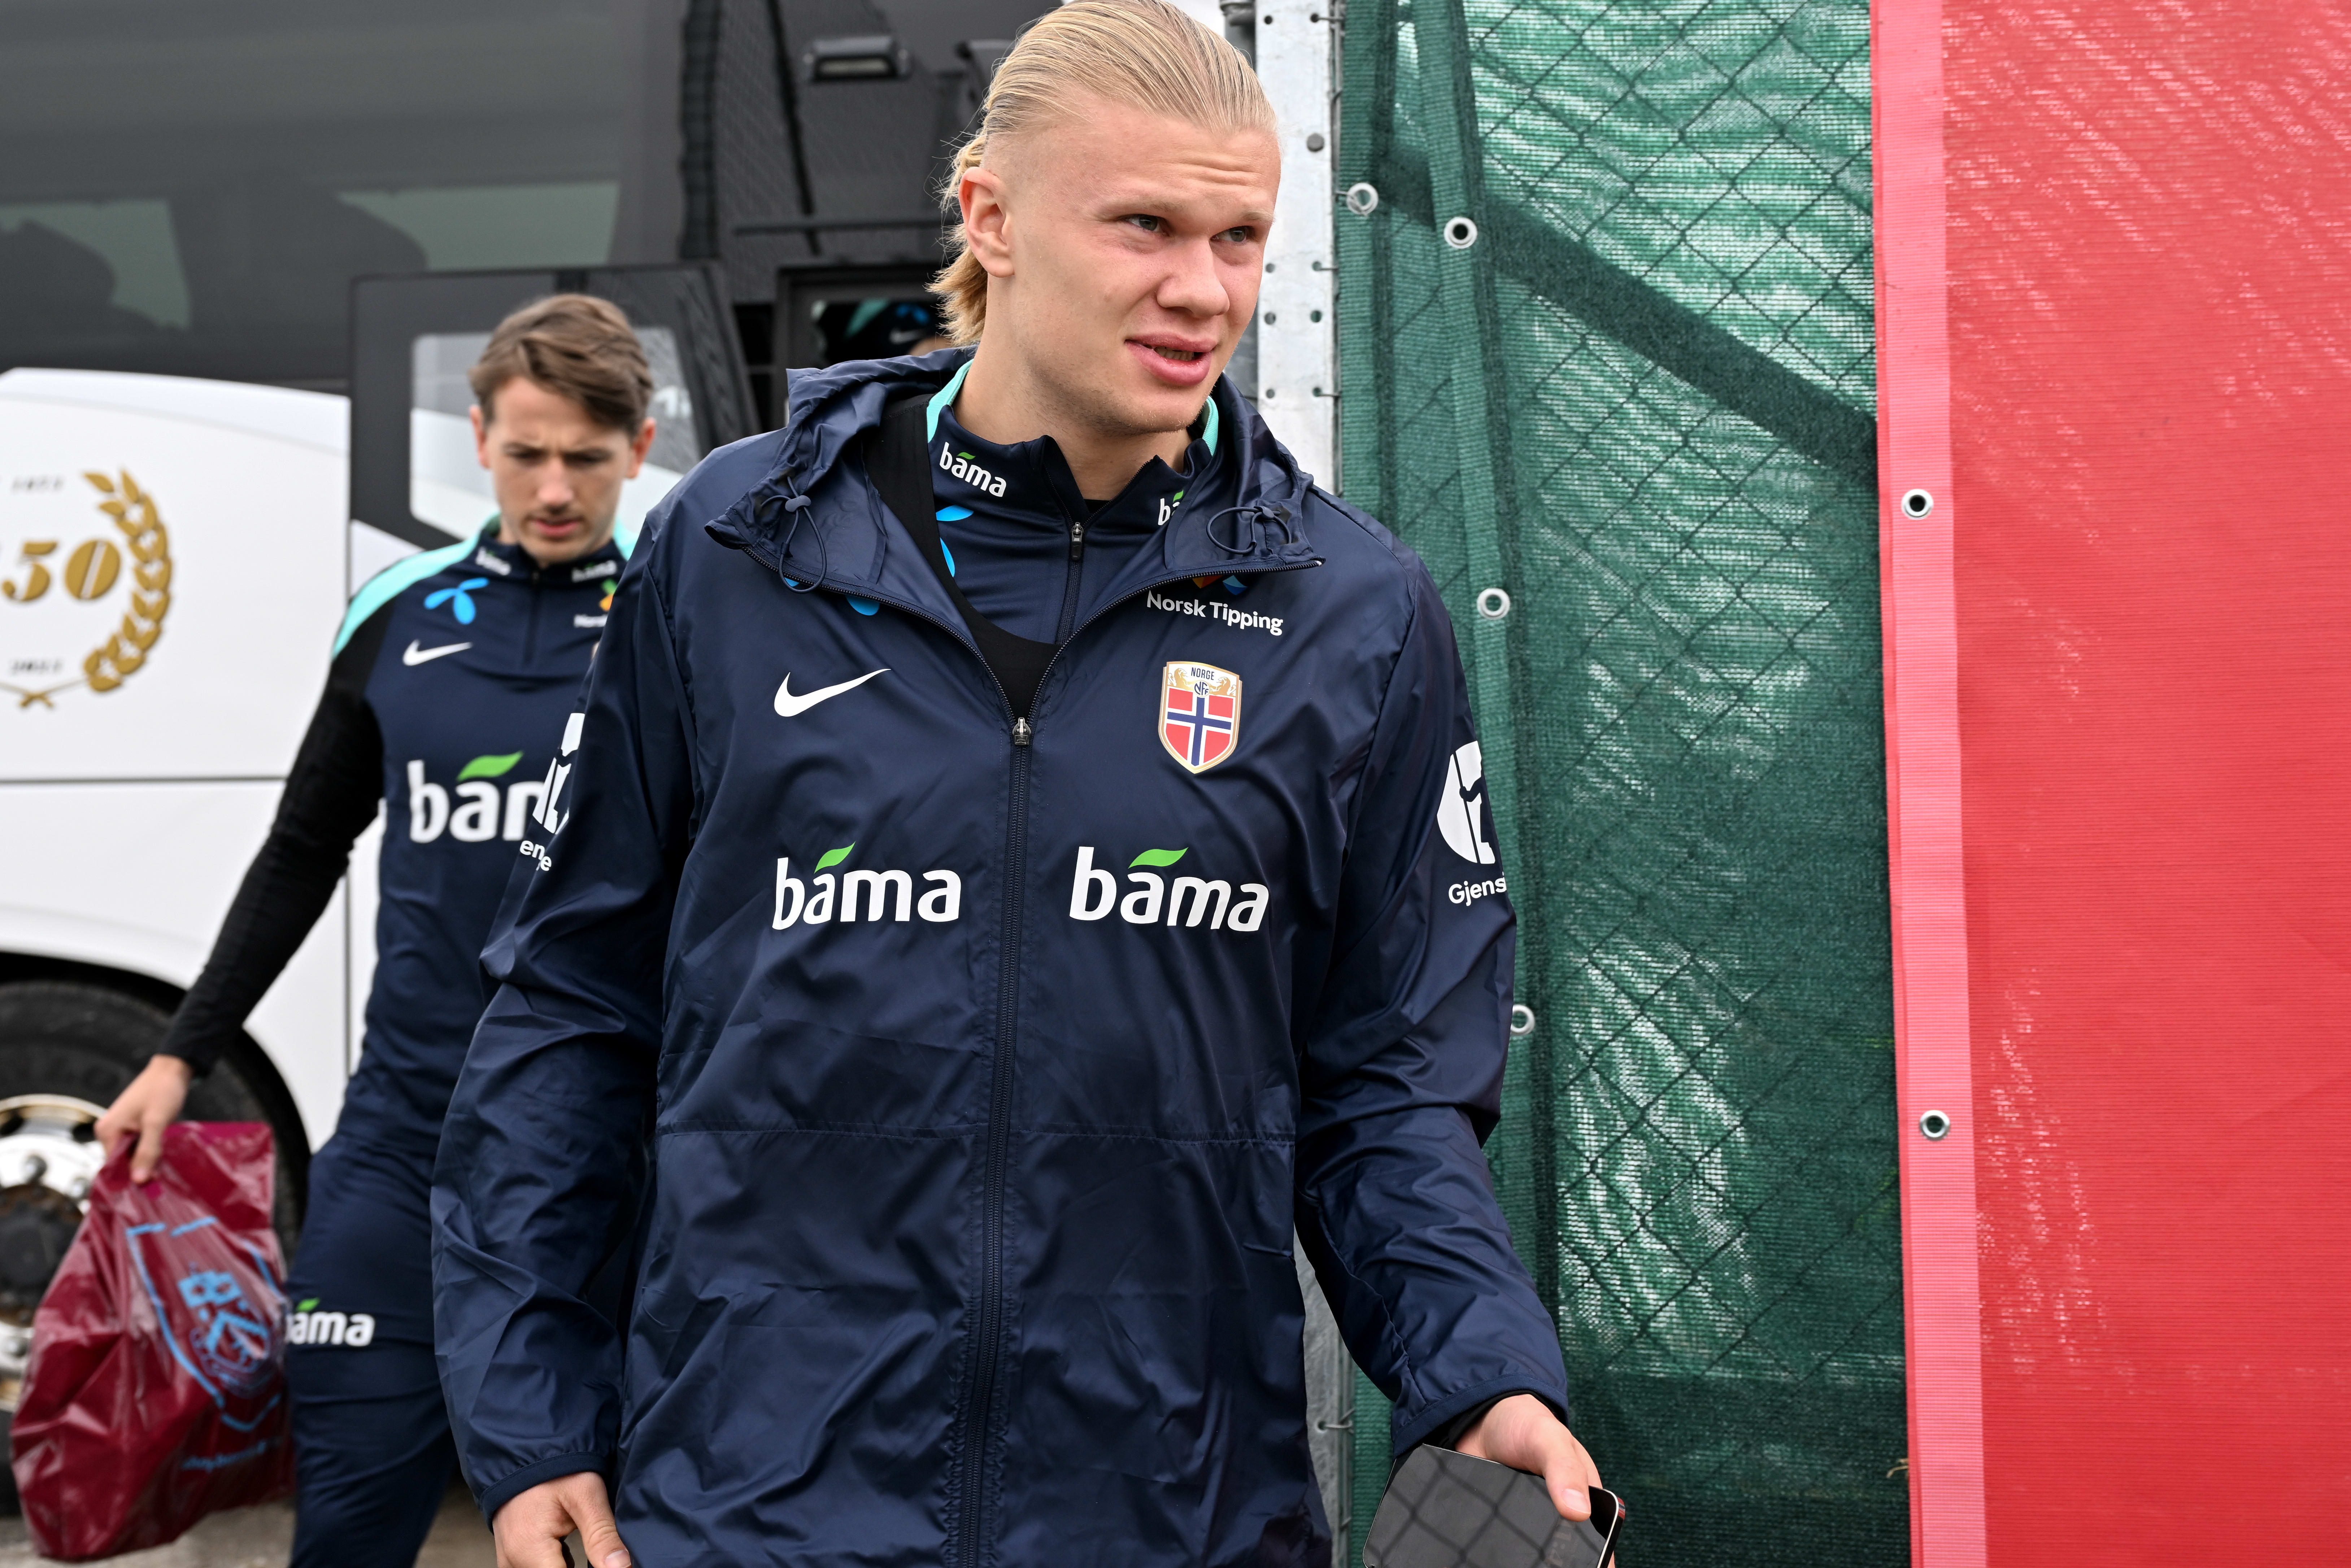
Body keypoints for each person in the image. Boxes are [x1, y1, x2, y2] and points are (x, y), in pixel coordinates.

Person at [433, 6, 1602, 1567]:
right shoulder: (733, 546)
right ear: (989, 216)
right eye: (1144, 226)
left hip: (1175, 1518)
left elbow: (1386, 1086)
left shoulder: (1355, 613)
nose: (1204, 289)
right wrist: (533, 1423)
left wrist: (1482, 1373)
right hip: (752, 1509)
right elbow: (573, 1011)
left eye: (1240, 237)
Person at [95, 294, 658, 1568]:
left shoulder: (676, 614)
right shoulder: (399, 611)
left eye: (585, 456)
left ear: (639, 445)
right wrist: (182, 1052)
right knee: (347, 1526)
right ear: (478, 438)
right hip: (407, 1142)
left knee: (613, 1534)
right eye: (526, 452)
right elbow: (304, 848)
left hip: (613, 1156)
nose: (554, 488)